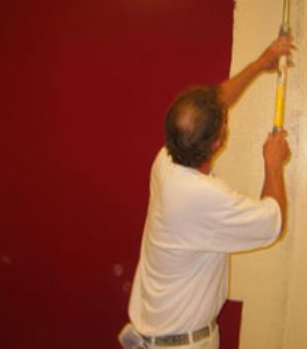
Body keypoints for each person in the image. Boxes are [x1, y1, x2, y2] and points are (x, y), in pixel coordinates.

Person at [119, 36, 294, 349]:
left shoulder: (165, 161)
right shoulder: (206, 198)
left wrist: (259, 64)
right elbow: (273, 221)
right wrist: (273, 165)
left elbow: (213, 103)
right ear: (217, 143)